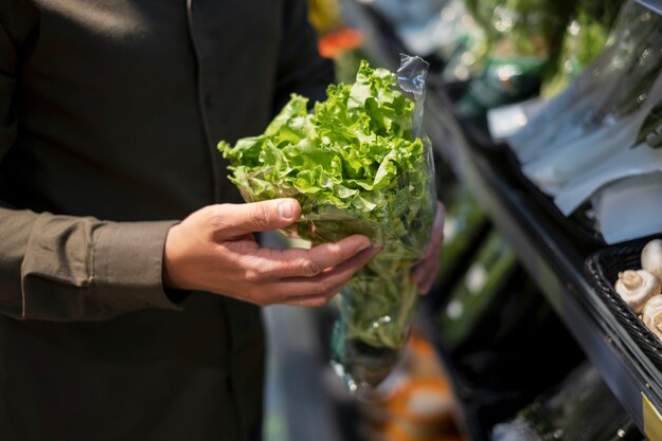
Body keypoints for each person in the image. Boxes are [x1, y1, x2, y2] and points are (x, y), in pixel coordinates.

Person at [0, 1, 444, 440]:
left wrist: (391, 191)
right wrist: (164, 259)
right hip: (81, 398)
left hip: (238, 382)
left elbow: (299, 82)